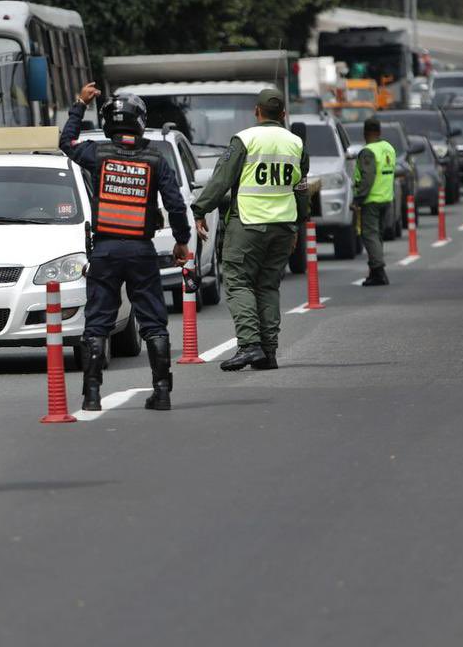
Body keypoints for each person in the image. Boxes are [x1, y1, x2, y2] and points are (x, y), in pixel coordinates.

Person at [60, 84, 190, 411]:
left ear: (108, 123)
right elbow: (175, 205)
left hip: (105, 252)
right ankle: (161, 392)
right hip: (140, 252)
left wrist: (79, 104)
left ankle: (91, 396)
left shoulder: (97, 154)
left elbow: (66, 142)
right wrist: (182, 241)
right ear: (140, 121)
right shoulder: (155, 159)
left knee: (98, 322)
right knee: (153, 321)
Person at [191, 89, 310, 371]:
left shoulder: (245, 139)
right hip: (283, 226)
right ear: (283, 114)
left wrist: (199, 210)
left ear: (257, 112)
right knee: (268, 285)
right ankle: (268, 352)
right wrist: (298, 227)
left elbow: (222, 179)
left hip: (248, 223)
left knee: (238, 281)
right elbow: (301, 188)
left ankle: (249, 345)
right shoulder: (296, 143)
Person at [352, 117, 396, 287]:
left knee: (369, 235)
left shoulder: (368, 151)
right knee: (377, 236)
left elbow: (367, 178)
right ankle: (374, 272)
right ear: (379, 131)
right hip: (386, 198)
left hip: (371, 200)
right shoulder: (388, 148)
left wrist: (358, 199)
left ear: (365, 133)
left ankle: (379, 272)